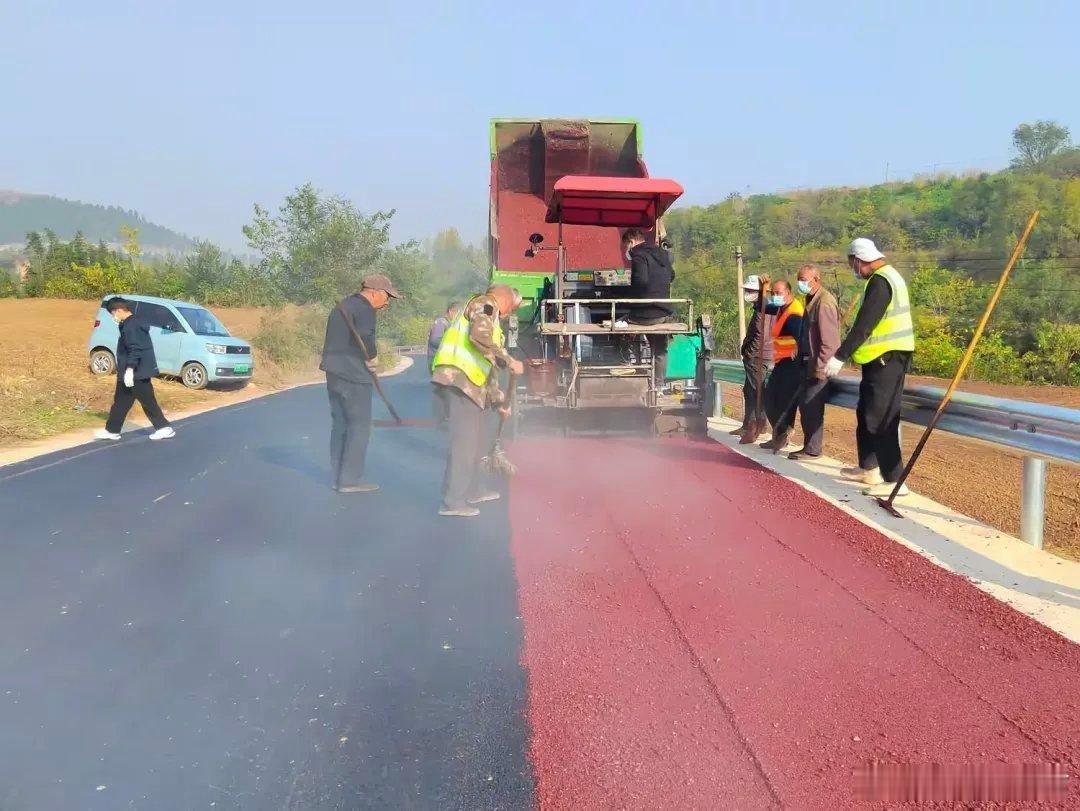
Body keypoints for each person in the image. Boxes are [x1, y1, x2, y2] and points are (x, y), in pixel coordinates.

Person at [823, 238, 915, 497]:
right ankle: (869, 468)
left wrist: (840, 356)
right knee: (866, 414)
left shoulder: (881, 281)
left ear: (859, 260)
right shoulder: (886, 277)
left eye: (853, 265)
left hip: (887, 358)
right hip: (878, 360)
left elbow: (865, 324)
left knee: (880, 418)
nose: (854, 270)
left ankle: (895, 480)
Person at [432, 284, 524, 518]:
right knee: (465, 444)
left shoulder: (488, 314)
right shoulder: (487, 304)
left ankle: (472, 490)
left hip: (469, 385)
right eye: (512, 308)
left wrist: (498, 401)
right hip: (458, 381)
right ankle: (452, 502)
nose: (510, 314)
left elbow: (486, 366)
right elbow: (479, 338)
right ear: (505, 300)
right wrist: (508, 359)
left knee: (477, 440)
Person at [319, 273, 403, 494]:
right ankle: (349, 480)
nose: (386, 304)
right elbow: (366, 336)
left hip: (333, 372)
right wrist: (373, 358)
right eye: (387, 297)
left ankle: (338, 477)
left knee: (340, 425)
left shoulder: (343, 307)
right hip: (353, 375)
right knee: (359, 426)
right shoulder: (365, 308)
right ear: (375, 292)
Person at [94, 297, 175, 442]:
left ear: (118, 310)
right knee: (121, 401)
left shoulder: (131, 326)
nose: (113, 317)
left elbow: (135, 348)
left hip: (137, 371)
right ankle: (112, 430)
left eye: (113, 313)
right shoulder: (130, 323)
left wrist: (130, 369)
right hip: (130, 371)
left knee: (148, 401)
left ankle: (164, 428)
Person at [788, 264, 840, 460]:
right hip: (806, 363)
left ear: (816, 280)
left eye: (804, 280)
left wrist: (821, 368)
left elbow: (830, 341)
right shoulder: (811, 299)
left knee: (812, 408)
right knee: (806, 407)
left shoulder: (824, 302)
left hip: (818, 367)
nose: (801, 284)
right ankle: (809, 446)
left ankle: (812, 449)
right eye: (799, 280)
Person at [622, 227, 675, 385]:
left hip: (645, 314)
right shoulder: (663, 254)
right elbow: (671, 276)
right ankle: (658, 386)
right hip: (663, 312)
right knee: (659, 350)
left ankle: (626, 368)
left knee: (617, 327)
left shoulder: (638, 255)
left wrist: (630, 295)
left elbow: (641, 282)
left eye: (626, 246)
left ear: (631, 242)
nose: (627, 250)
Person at [759, 280, 805, 452]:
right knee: (769, 396)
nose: (775, 297)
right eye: (774, 293)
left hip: (792, 364)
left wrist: (799, 349)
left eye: (779, 293)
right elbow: (762, 306)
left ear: (788, 293)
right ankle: (778, 433)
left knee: (785, 401)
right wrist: (762, 289)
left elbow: (803, 335)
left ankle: (783, 433)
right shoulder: (780, 307)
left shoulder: (794, 313)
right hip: (781, 362)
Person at [733, 275, 773, 441]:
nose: (748, 293)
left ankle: (754, 427)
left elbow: (760, 335)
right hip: (761, 355)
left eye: (751, 291)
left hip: (758, 356)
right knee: (751, 391)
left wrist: (750, 352)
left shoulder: (764, 307)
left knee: (755, 392)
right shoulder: (763, 306)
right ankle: (750, 425)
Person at [428, 301, 460, 426]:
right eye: (457, 313)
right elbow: (435, 340)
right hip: (437, 362)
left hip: (444, 363)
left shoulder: (449, 324)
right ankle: (442, 418)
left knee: (446, 391)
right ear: (451, 311)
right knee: (444, 391)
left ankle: (444, 416)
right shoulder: (441, 323)